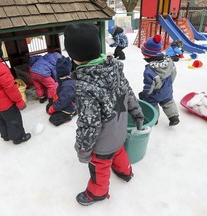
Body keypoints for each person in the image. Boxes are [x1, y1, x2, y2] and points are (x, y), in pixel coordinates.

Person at [64, 22, 144, 206]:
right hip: (119, 131)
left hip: (102, 143)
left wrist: (83, 150)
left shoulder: (86, 86)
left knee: (99, 166)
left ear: (73, 56)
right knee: (118, 151)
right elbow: (128, 93)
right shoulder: (114, 68)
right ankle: (126, 172)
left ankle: (97, 193)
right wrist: (137, 113)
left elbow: (89, 124)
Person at [139, 34, 180, 126]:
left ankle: (154, 118)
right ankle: (174, 117)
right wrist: (169, 83)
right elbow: (174, 72)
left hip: (155, 94)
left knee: (151, 103)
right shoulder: (169, 61)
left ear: (149, 56)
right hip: (168, 89)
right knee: (168, 101)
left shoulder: (149, 70)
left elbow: (149, 86)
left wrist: (144, 94)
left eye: (144, 55)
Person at [46, 56, 76, 126]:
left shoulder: (67, 85)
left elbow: (64, 100)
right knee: (48, 106)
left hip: (70, 107)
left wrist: (53, 108)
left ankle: (70, 115)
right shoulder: (64, 79)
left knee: (53, 119)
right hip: (65, 102)